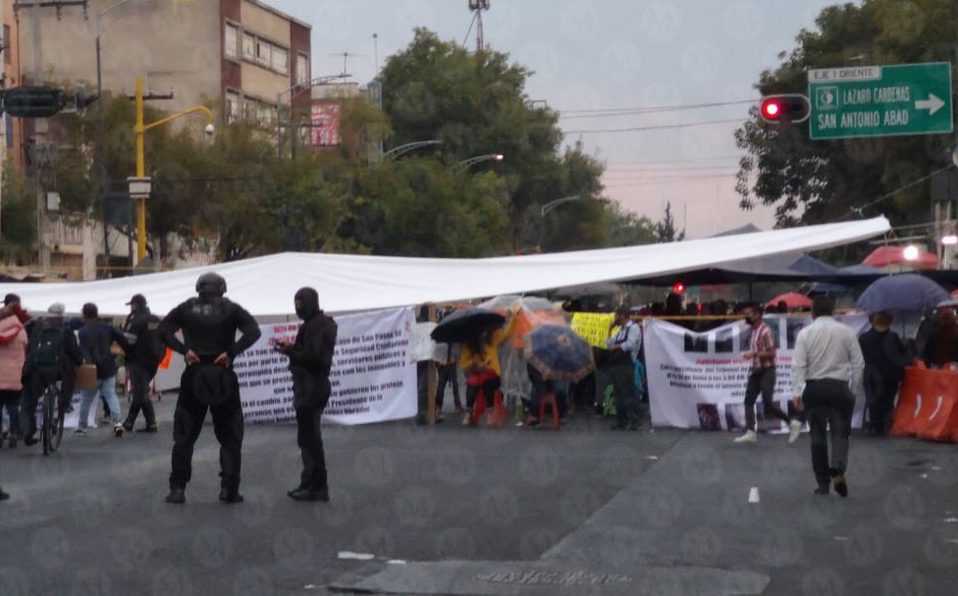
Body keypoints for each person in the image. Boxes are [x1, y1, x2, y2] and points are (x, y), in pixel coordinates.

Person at [159, 272, 261, 504]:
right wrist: (232, 352)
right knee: (230, 437)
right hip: (222, 372)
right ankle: (229, 489)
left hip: (194, 373)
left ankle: (178, 489)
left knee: (184, 435)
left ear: (199, 288)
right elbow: (253, 332)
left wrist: (184, 350)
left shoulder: (185, 308)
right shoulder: (232, 309)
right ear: (222, 288)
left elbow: (162, 331)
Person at [793, 295, 864, 498]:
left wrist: (797, 391)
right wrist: (854, 388)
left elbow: (798, 365)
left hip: (814, 389)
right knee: (840, 433)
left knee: (817, 435)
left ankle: (822, 483)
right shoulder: (847, 332)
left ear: (813, 312)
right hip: (839, 388)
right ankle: (837, 469)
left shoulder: (805, 334)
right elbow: (859, 363)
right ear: (832, 310)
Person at [276, 287, 337, 502]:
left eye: (301, 303)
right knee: (307, 439)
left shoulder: (318, 326)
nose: (297, 307)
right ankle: (309, 481)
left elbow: (313, 357)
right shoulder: (315, 324)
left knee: (311, 439)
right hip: (309, 386)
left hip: (312, 387)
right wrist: (292, 348)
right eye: (296, 303)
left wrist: (290, 350)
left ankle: (318, 486)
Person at [735, 303, 802, 443]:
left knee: (768, 403)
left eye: (749, 314)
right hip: (756, 371)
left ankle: (792, 423)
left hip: (767, 371)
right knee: (748, 400)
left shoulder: (766, 331)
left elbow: (772, 353)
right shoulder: (754, 331)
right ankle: (750, 431)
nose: (746, 317)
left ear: (757, 315)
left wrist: (754, 353)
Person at [22, 303, 82, 447]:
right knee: (69, 377)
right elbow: (76, 356)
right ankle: (64, 403)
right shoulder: (66, 331)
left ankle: (28, 429)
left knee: (28, 399)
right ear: (62, 317)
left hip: (36, 368)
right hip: (59, 370)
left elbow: (29, 347)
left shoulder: (36, 328)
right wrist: (79, 361)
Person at [458, 304, 519, 426]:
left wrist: (514, 318)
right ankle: (469, 412)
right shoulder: (468, 346)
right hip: (475, 374)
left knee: (488, 383)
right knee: (473, 383)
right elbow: (463, 365)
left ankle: (490, 414)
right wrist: (473, 363)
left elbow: (507, 334)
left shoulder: (493, 340)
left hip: (492, 375)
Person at [76, 303, 126, 437]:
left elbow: (83, 350)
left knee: (86, 399)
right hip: (108, 366)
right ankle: (118, 423)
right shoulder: (108, 328)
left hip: (91, 368)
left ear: (84, 314)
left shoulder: (82, 332)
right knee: (111, 395)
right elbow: (122, 339)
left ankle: (82, 427)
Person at [859, 311, 910, 436]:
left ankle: (875, 424)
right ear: (890, 321)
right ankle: (886, 425)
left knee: (872, 400)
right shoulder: (894, 337)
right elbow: (903, 356)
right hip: (890, 375)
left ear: (872, 321)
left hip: (871, 374)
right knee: (888, 400)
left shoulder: (864, 338)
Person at [120, 294, 164, 433]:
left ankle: (130, 422)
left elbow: (129, 340)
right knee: (142, 389)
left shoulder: (136, 320)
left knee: (140, 391)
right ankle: (149, 423)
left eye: (132, 305)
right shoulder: (155, 319)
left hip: (138, 359)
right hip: (154, 360)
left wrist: (123, 348)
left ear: (136, 305)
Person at [606, 306, 642, 430]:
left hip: (627, 364)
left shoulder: (634, 328)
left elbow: (630, 344)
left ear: (623, 316)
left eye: (618, 316)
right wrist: (610, 330)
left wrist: (616, 347)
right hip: (617, 364)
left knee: (630, 393)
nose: (617, 319)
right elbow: (608, 342)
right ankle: (621, 420)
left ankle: (634, 420)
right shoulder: (620, 330)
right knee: (619, 394)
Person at [0, 299, 29, 448]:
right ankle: (13, 434)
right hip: (16, 375)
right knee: (13, 406)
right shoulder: (21, 330)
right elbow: (26, 349)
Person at [436, 342, 462, 414]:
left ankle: (457, 405)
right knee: (440, 387)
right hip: (442, 365)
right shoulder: (440, 342)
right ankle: (438, 406)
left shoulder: (454, 343)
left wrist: (457, 361)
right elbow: (437, 353)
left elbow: (457, 353)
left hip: (452, 364)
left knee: (455, 386)